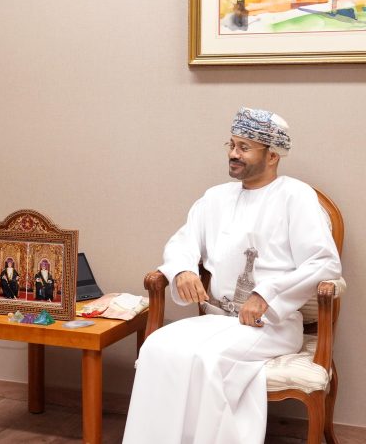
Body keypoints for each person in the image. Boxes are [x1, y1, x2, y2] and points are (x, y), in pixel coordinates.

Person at [122, 107, 341, 444]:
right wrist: (182, 269)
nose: (233, 154)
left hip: (271, 325)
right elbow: (182, 242)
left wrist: (267, 295)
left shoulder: (296, 197)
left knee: (208, 359)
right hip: (216, 319)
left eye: (244, 147)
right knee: (156, 347)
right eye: (232, 144)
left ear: (272, 156)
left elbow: (324, 263)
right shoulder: (216, 197)